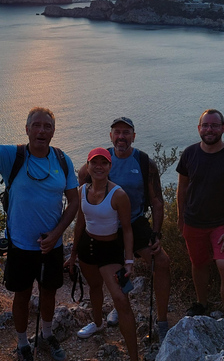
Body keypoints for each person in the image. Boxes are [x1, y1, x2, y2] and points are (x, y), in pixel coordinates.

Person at [0, 101, 79, 361]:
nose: (42, 130)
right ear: (27, 129)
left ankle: (48, 334)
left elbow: (74, 201)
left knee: (49, 291)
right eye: (37, 125)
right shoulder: (12, 156)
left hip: (51, 245)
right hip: (19, 245)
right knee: (22, 294)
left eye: (47, 126)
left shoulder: (62, 160)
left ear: (53, 131)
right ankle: (21, 344)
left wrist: (56, 234)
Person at [76, 116, 172, 343]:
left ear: (133, 136)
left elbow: (157, 201)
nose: (121, 137)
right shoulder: (98, 162)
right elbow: (81, 193)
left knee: (162, 262)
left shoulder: (144, 162)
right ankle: (111, 313)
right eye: (117, 132)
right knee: (113, 271)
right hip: (105, 226)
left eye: (126, 132)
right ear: (111, 136)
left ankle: (162, 321)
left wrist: (156, 233)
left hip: (135, 222)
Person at [176, 109, 224, 317]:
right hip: (194, 222)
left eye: (214, 125)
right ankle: (202, 303)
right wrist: (180, 217)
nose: (209, 129)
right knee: (198, 264)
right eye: (206, 125)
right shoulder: (189, 154)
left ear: (223, 128)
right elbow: (182, 187)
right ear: (199, 128)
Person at [67, 148, 139, 361]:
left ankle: (134, 356)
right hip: (87, 247)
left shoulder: (119, 195)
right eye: (94, 163)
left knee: (121, 300)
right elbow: (80, 223)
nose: (99, 167)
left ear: (110, 166)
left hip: (110, 251)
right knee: (94, 287)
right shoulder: (82, 191)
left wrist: (128, 261)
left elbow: (127, 229)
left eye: (104, 163)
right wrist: (72, 255)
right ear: (87, 166)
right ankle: (98, 324)